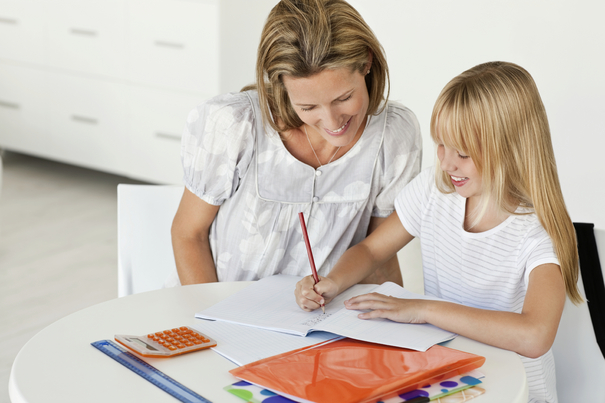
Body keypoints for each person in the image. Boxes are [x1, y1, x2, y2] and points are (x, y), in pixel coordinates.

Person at [294, 61, 582, 403]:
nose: (446, 163)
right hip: (449, 382)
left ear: (511, 148)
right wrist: (332, 282)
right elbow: (371, 251)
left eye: (463, 153)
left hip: (515, 393)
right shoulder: (435, 190)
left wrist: (424, 310)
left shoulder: (539, 231)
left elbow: (535, 336)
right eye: (441, 145)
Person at [169, 0, 422, 285]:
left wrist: (396, 308)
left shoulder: (394, 135)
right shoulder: (232, 124)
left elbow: (379, 256)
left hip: (328, 310)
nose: (332, 122)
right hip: (218, 305)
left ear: (367, 62)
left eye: (344, 98)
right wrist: (213, 312)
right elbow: (189, 234)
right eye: (308, 107)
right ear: (281, 86)